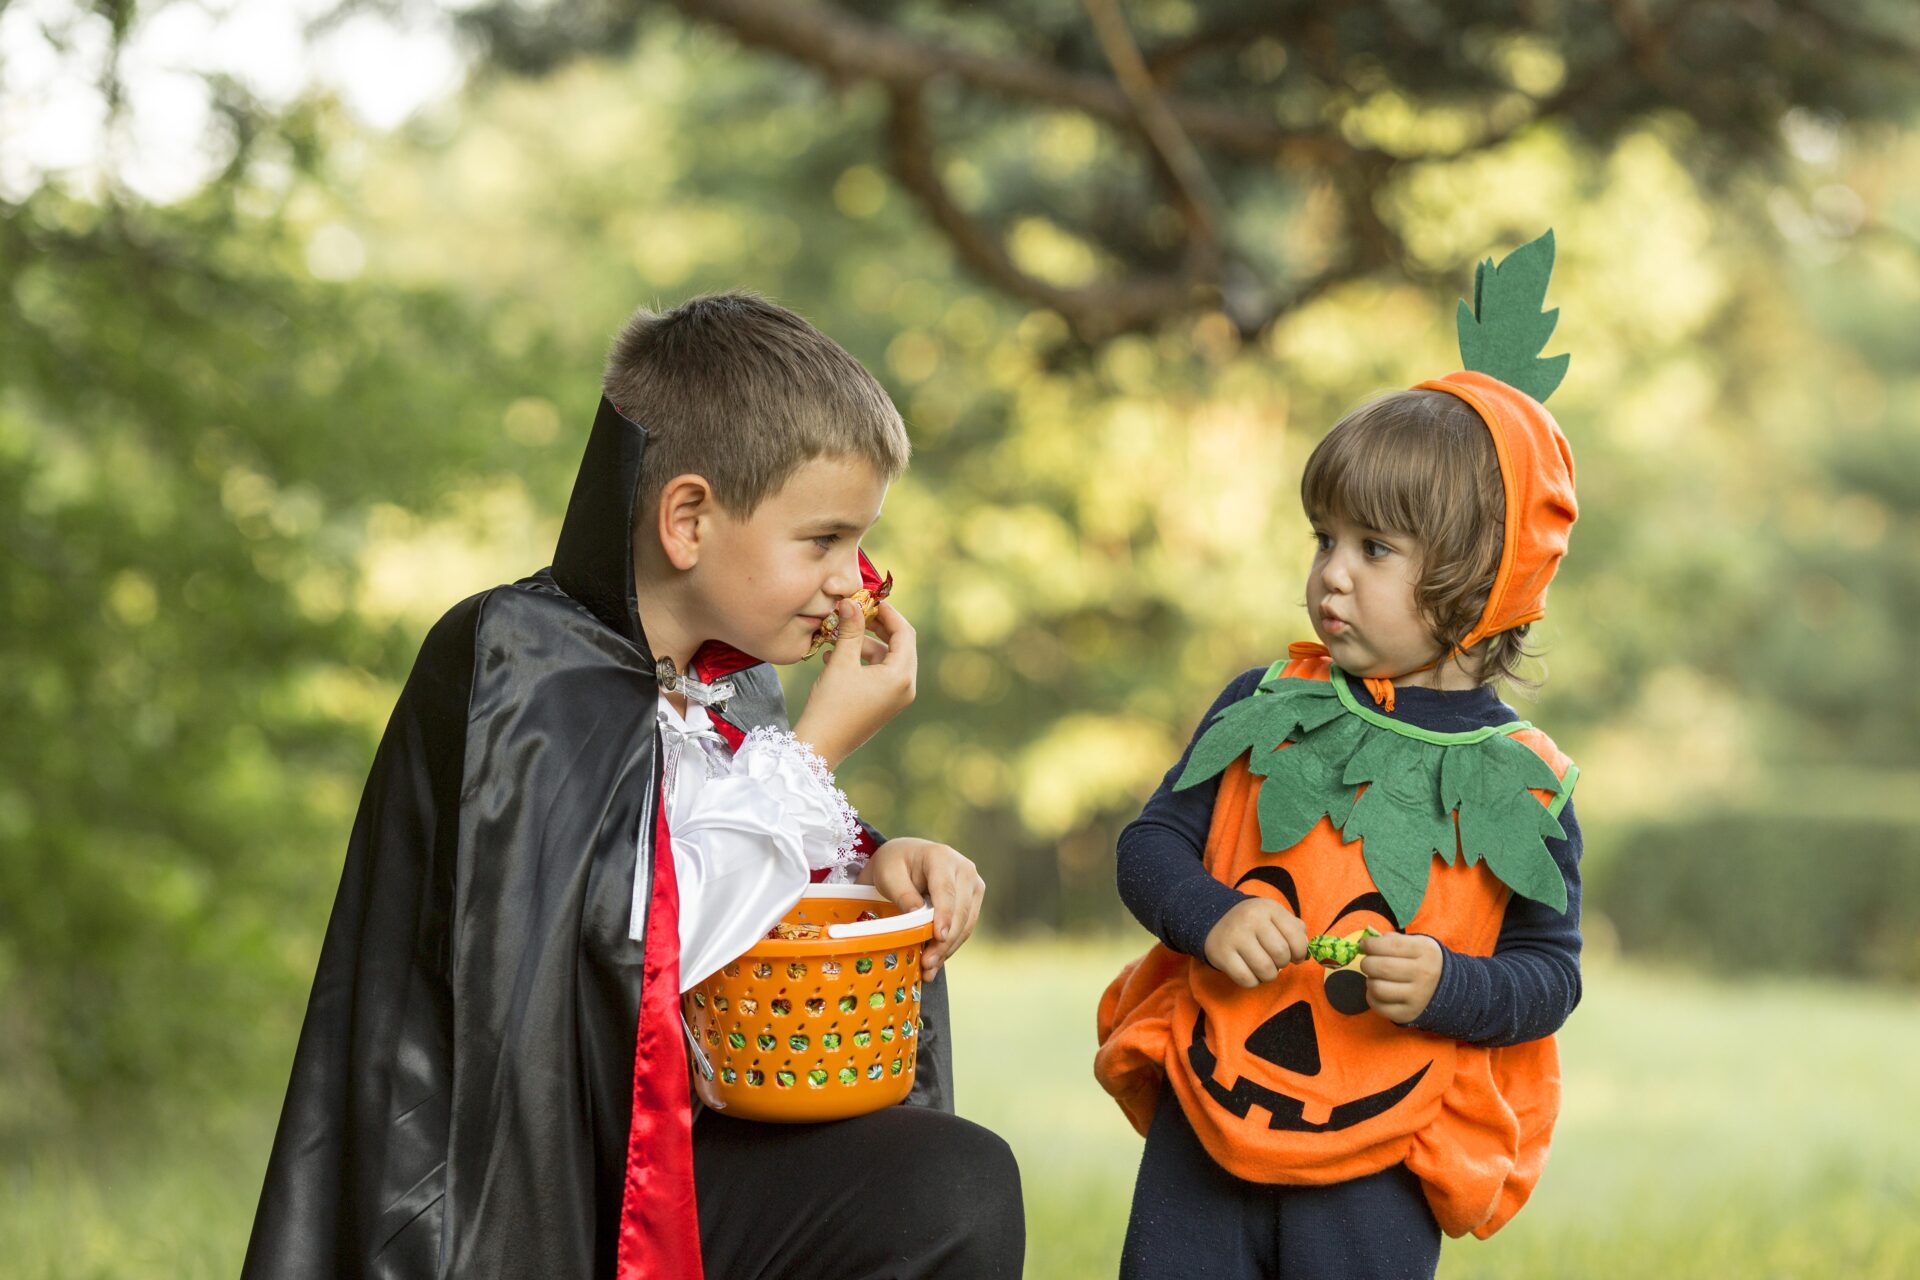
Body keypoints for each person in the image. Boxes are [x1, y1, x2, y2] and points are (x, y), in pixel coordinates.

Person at [243, 292, 1024, 1279]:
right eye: (822, 540)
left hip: (684, 1146)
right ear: (688, 517)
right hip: (527, 1191)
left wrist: (879, 866)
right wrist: (819, 745)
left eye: (857, 543)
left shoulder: (732, 682)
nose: (853, 581)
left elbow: (751, 900)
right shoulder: (513, 662)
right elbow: (628, 948)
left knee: (949, 1183)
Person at [1095, 233, 1583, 1279]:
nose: (1331, 575)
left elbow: (1550, 974)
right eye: (1323, 537)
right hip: (1208, 1115)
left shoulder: (1522, 781)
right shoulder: (1267, 704)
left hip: (1382, 1147)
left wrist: (1453, 983)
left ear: (1475, 579)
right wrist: (1213, 911)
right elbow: (1149, 846)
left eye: (1374, 549)